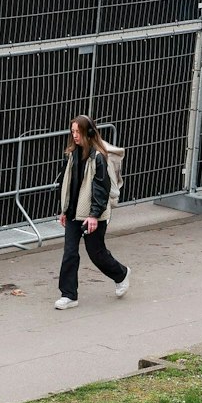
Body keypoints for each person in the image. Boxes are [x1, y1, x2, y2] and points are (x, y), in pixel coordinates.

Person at [54, 115, 130, 310]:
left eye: (78, 132)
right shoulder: (72, 155)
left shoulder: (98, 158)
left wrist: (94, 215)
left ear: (88, 133)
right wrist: (64, 210)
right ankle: (69, 295)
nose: (74, 136)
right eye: (72, 132)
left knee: (96, 253)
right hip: (73, 213)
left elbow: (100, 189)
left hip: (93, 214)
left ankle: (121, 274)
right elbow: (67, 184)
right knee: (70, 252)